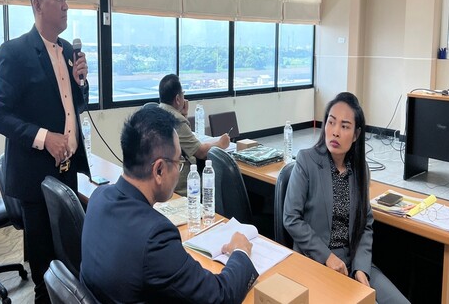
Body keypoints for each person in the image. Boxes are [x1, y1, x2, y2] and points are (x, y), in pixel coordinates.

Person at [80, 106, 258, 303]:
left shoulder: (99, 197)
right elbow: (220, 297)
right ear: (159, 170)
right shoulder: (156, 237)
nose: (179, 169)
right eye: (178, 162)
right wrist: (240, 252)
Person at [0, 0, 90, 303]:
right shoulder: (15, 52)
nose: (66, 6)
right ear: (37, 4)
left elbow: (75, 106)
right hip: (36, 178)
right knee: (45, 273)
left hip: (68, 171)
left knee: (71, 261)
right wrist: (44, 137)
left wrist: (82, 83)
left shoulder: (67, 50)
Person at [283, 92, 409, 304]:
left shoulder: (360, 169)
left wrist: (361, 268)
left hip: (354, 261)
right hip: (318, 260)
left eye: (344, 126)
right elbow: (291, 218)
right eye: (331, 122)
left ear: (356, 134)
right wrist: (327, 257)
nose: (335, 132)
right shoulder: (307, 161)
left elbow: (365, 223)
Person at [158, 73, 230, 195]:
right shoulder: (177, 120)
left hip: (163, 178)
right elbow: (201, 152)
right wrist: (221, 144)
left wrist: (183, 114)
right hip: (182, 187)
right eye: (183, 94)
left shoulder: (158, 111)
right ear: (177, 99)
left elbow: (183, 142)